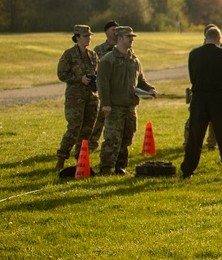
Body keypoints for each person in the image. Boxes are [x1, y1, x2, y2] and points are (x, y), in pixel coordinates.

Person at [180, 26, 222, 178]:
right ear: (219, 39)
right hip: (219, 97)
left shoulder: (194, 54)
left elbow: (193, 77)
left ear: (206, 38)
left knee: (195, 136)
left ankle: (187, 170)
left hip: (199, 97)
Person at [97, 26, 154, 176]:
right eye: (129, 37)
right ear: (120, 38)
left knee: (127, 139)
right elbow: (102, 83)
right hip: (115, 107)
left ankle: (120, 167)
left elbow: (140, 80)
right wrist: (106, 104)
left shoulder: (134, 60)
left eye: (132, 37)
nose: (131, 40)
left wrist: (149, 89)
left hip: (130, 107)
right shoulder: (108, 60)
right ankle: (106, 168)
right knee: (112, 139)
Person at [55, 25, 100, 170]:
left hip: (91, 97)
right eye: (86, 36)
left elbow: (98, 72)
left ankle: (80, 160)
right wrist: (79, 79)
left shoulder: (93, 55)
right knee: (74, 128)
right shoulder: (69, 54)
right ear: (77, 38)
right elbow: (62, 74)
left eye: (90, 36)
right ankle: (61, 158)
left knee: (87, 130)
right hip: (75, 97)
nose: (89, 38)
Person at [89, 20, 119, 151]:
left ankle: (114, 144)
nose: (115, 32)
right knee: (99, 119)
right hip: (104, 90)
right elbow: (93, 69)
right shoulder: (99, 50)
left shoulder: (122, 48)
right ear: (106, 32)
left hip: (118, 90)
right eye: (112, 29)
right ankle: (91, 144)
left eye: (116, 29)